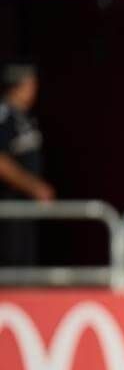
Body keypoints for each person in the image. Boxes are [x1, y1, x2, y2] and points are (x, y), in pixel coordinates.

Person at [0, 63, 54, 266]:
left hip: (24, 210)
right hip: (7, 208)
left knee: (24, 265)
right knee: (10, 267)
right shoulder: (4, 115)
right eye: (31, 84)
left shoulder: (24, 117)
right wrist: (33, 186)